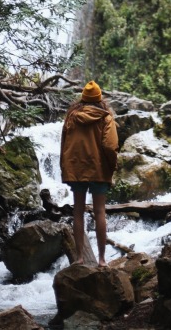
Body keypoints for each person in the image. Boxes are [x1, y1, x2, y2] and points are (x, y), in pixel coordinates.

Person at [60, 80, 119, 266]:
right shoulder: (106, 118)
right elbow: (111, 146)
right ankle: (102, 259)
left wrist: (65, 166)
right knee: (100, 212)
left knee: (78, 211)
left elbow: (64, 144)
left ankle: (79, 257)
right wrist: (112, 166)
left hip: (77, 169)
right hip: (99, 169)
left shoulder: (71, 116)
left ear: (83, 99)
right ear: (100, 99)